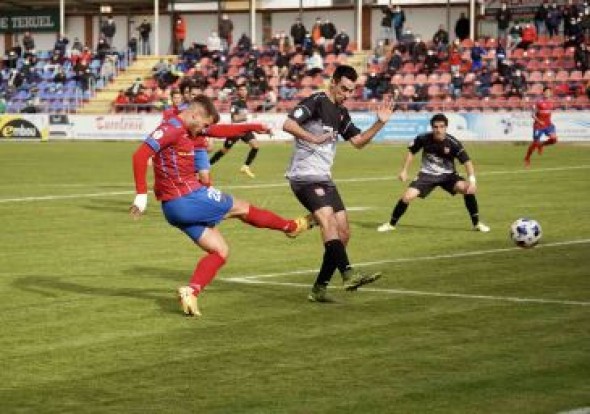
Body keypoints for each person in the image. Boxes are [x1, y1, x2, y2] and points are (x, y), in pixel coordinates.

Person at [130, 95, 314, 316]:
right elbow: (140, 155)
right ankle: (291, 228)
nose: (205, 131)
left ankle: (191, 291)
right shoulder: (172, 128)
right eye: (205, 124)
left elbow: (221, 131)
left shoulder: (189, 128)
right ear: (195, 114)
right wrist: (141, 195)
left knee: (220, 251)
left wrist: (255, 126)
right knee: (242, 207)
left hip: (173, 208)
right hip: (188, 197)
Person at [283, 65, 393, 303]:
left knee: (343, 233)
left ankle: (319, 288)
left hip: (324, 177)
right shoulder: (317, 101)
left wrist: (380, 123)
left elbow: (358, 142)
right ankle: (348, 273)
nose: (347, 94)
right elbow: (288, 124)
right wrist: (313, 138)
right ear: (332, 82)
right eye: (344, 88)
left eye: (351, 90)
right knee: (327, 221)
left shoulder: (342, 113)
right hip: (304, 176)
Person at [377, 113, 490, 234]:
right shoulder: (423, 138)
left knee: (468, 189)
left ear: (446, 127)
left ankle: (477, 224)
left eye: (441, 127)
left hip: (448, 176)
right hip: (427, 175)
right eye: (435, 127)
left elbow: (467, 162)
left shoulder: (453, 143)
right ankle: (391, 224)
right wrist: (404, 171)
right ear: (432, 127)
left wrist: (472, 181)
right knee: (407, 197)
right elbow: (411, 152)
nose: (438, 130)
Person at [209, 83, 261, 178]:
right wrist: (247, 116)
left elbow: (245, 117)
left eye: (244, 90)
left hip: (245, 129)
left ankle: (245, 167)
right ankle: (208, 165)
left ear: (247, 91)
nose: (243, 91)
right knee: (225, 150)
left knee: (256, 145)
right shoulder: (235, 103)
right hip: (235, 130)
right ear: (238, 92)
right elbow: (234, 118)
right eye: (241, 90)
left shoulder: (245, 103)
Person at [525, 87, 558, 167]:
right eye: (546, 92)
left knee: (554, 139)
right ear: (543, 93)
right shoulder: (538, 102)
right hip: (538, 125)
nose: (547, 93)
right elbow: (532, 115)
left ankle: (542, 145)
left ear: (551, 93)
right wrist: (539, 121)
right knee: (535, 143)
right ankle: (527, 158)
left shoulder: (552, 102)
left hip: (548, 125)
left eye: (549, 92)